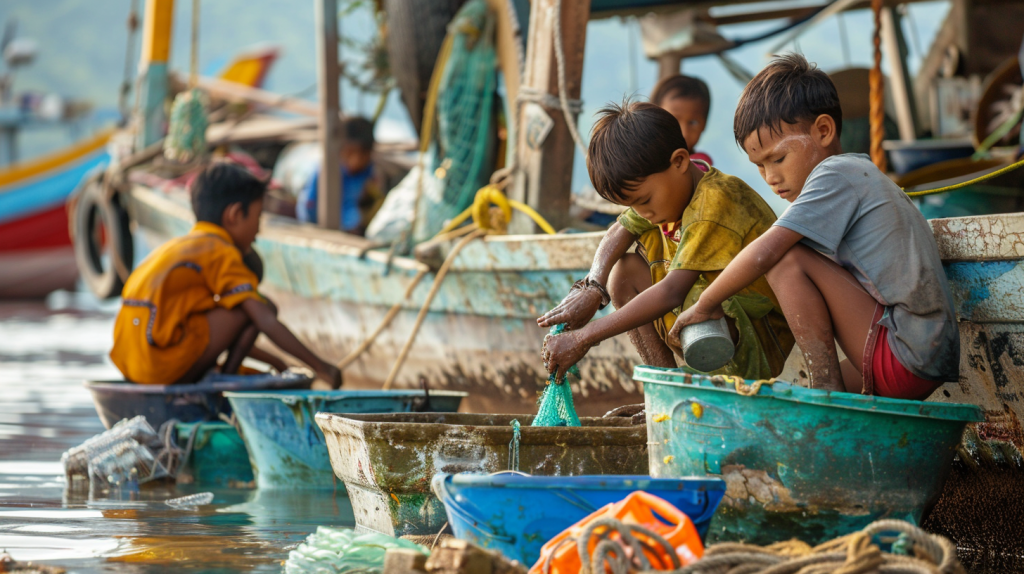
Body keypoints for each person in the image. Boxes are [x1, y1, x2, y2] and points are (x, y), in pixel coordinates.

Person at [669, 54, 959, 399]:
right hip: (922, 354)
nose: (771, 177)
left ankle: (825, 386)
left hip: (905, 352)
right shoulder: (856, 174)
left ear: (823, 131)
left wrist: (706, 304)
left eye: (778, 159)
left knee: (784, 258)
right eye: (760, 167)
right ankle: (824, 394)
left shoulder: (835, 174)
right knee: (793, 405)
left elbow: (767, 250)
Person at [539, 99, 793, 382]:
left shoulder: (715, 200)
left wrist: (583, 338)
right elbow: (618, 229)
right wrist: (593, 287)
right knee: (622, 272)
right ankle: (663, 384)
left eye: (645, 200)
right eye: (634, 205)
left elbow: (672, 292)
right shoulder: (666, 191)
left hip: (759, 337)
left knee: (696, 296)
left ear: (680, 162)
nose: (643, 212)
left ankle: (715, 392)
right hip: (699, 322)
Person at [110, 163, 343, 388]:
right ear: (234, 214)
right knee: (263, 306)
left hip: (132, 365)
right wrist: (322, 368)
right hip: (159, 364)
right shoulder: (220, 249)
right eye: (257, 217)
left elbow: (229, 334)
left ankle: (221, 377)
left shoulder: (181, 246)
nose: (258, 230)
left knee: (246, 309)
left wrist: (278, 363)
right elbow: (264, 319)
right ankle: (224, 383)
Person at [297, 117, 385, 235]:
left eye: (363, 154)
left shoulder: (369, 173)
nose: (356, 160)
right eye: (350, 153)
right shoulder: (327, 171)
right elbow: (309, 204)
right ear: (342, 149)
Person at [650, 74, 714, 170]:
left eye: (693, 122)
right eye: (673, 120)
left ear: (704, 124)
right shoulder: (638, 159)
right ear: (652, 118)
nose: (684, 132)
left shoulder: (700, 166)